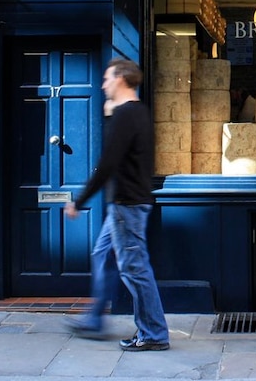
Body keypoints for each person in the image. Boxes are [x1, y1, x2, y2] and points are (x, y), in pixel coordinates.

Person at [64, 58, 170, 352]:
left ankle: (154, 333)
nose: (103, 84)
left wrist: (79, 202)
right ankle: (95, 320)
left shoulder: (125, 115)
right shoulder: (138, 112)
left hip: (126, 205)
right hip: (128, 204)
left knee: (135, 270)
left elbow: (108, 163)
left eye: (107, 79)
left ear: (121, 79)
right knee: (102, 254)